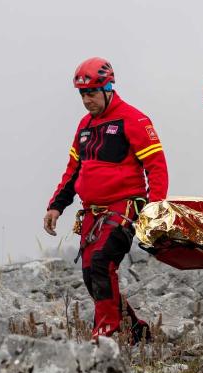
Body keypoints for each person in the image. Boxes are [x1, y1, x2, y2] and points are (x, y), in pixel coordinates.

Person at [43, 57, 168, 343]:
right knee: (90, 273)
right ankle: (135, 329)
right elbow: (73, 171)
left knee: (101, 263)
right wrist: (56, 205)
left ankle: (107, 333)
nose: (87, 100)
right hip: (91, 214)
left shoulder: (134, 120)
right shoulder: (84, 126)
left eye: (92, 93)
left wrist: (155, 208)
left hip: (123, 207)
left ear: (109, 87)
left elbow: (157, 167)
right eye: (82, 94)